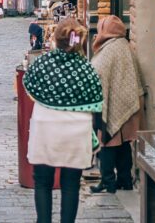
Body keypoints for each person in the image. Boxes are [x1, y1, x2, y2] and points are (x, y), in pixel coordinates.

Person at [23, 17, 104, 223]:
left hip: (46, 127)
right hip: (76, 131)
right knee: (70, 184)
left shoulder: (43, 63)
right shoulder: (86, 68)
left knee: (42, 182)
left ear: (56, 40)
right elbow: (97, 99)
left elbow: (28, 84)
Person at [89, 15, 144, 194]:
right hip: (128, 104)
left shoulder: (110, 49)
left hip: (112, 106)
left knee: (107, 143)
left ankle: (108, 181)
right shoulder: (124, 45)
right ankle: (125, 180)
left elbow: (97, 72)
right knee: (123, 144)